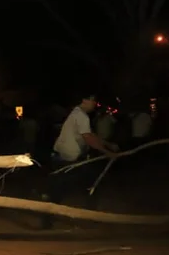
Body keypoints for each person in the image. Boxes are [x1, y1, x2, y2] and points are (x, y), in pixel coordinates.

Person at [42, 94, 118, 229]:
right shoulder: (81, 115)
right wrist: (107, 152)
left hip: (68, 158)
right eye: (93, 101)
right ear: (84, 100)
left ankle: (50, 218)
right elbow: (88, 137)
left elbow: (90, 135)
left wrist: (108, 144)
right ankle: (89, 217)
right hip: (66, 159)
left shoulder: (78, 114)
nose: (94, 104)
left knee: (81, 185)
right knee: (79, 186)